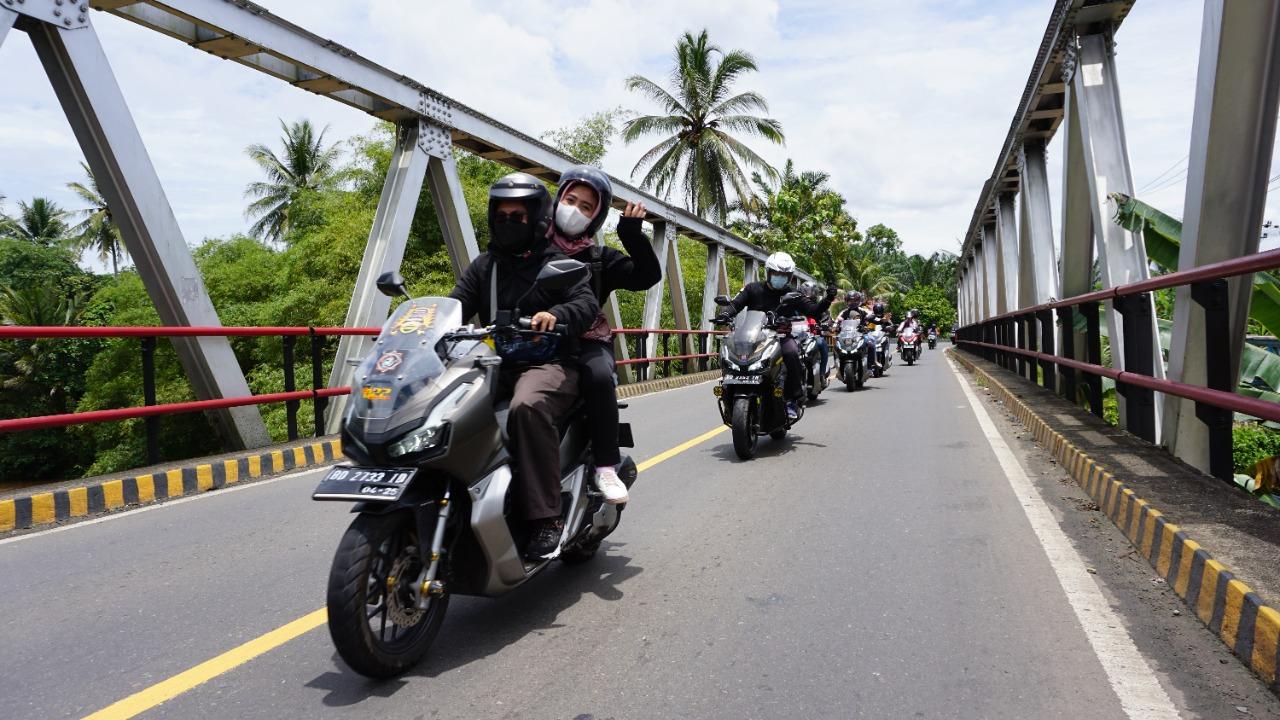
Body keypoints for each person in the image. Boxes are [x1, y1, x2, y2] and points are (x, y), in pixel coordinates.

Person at [449, 173, 599, 561]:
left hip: (549, 363)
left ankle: (546, 516)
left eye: (517, 216)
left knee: (527, 406)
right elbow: (454, 306)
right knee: (448, 407)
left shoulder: (557, 263)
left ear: (537, 219)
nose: (508, 222)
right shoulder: (484, 267)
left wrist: (557, 314)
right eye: (502, 215)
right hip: (495, 363)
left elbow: (585, 304)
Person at [546, 165, 661, 506]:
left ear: (596, 216)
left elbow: (647, 277)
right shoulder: (531, 247)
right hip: (534, 342)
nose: (575, 210)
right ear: (557, 199)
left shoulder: (599, 258)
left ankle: (606, 466)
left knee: (598, 377)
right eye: (570, 200)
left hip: (587, 341)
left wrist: (631, 233)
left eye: (586, 206)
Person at [716, 252, 836, 420]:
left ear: (790, 277)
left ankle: (793, 400)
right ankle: (728, 392)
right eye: (776, 273)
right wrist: (725, 314)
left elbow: (813, 311)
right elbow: (736, 304)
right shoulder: (752, 289)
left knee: (792, 353)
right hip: (753, 337)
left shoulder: (793, 294)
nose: (780, 277)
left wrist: (828, 299)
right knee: (729, 352)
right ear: (768, 272)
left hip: (780, 337)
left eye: (785, 275)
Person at [799, 281, 833, 379]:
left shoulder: (819, 307)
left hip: (814, 336)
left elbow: (827, 318)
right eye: (807, 291)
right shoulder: (796, 306)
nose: (810, 294)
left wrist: (825, 324)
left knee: (822, 343)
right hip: (797, 337)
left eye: (813, 292)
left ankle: (822, 373)